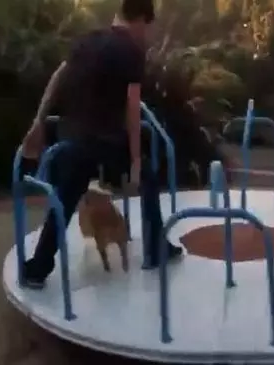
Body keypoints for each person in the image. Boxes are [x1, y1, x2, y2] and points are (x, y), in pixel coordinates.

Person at [20, 0, 184, 289]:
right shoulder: (131, 51)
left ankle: (38, 268)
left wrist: (38, 121)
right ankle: (157, 249)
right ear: (141, 21)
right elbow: (133, 109)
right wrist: (133, 162)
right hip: (106, 138)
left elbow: (57, 78)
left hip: (73, 136)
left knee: (67, 194)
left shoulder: (86, 41)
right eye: (148, 29)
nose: (148, 36)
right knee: (146, 174)